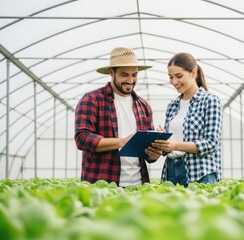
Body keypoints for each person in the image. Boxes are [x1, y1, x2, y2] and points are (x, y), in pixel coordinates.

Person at [74, 47, 162, 187]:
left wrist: (154, 152)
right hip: (103, 184)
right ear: (111, 73)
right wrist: (122, 142)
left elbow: (147, 155)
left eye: (134, 75)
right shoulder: (92, 100)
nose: (130, 80)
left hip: (139, 185)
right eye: (124, 74)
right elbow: (82, 138)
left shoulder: (144, 106)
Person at [152, 52, 223, 187]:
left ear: (193, 73)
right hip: (171, 170)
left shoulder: (210, 101)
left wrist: (175, 145)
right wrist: (162, 141)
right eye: (171, 77)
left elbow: (211, 143)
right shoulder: (172, 106)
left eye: (179, 76)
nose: (174, 82)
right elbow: (168, 148)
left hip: (200, 172)